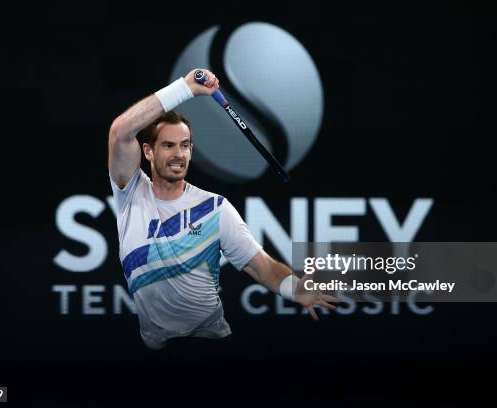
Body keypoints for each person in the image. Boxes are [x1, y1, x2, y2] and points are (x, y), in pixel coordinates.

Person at [108, 68, 338, 350]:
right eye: (168, 145)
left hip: (212, 345)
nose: (179, 154)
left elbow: (260, 265)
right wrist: (186, 88)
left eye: (185, 145)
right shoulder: (130, 194)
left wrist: (294, 288)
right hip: (154, 349)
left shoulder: (214, 208)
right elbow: (120, 132)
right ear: (148, 152)